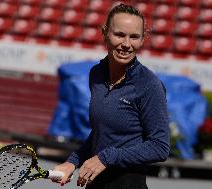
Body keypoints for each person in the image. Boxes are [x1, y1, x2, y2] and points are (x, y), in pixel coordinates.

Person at [52, 3, 170, 189]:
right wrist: (72, 162)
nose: (126, 44)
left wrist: (105, 158)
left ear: (142, 39)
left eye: (134, 37)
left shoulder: (149, 85)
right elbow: (101, 133)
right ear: (105, 32)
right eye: (119, 35)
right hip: (95, 183)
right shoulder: (96, 75)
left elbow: (160, 147)